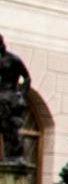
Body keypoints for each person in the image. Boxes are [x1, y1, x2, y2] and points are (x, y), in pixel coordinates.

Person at [0, 35, 30, 163]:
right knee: (3, 126)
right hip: (1, 96)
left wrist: (22, 95)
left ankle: (15, 155)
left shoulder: (13, 59)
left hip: (11, 96)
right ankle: (7, 155)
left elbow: (27, 77)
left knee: (11, 126)